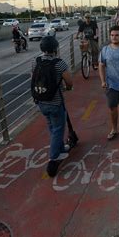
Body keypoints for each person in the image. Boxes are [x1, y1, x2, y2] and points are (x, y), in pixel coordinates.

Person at [31, 36, 73, 177]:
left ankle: (61, 148)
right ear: (55, 48)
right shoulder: (59, 63)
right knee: (58, 128)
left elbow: (34, 78)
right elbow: (69, 81)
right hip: (55, 102)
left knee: (53, 127)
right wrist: (68, 88)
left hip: (41, 102)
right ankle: (53, 158)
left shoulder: (35, 61)